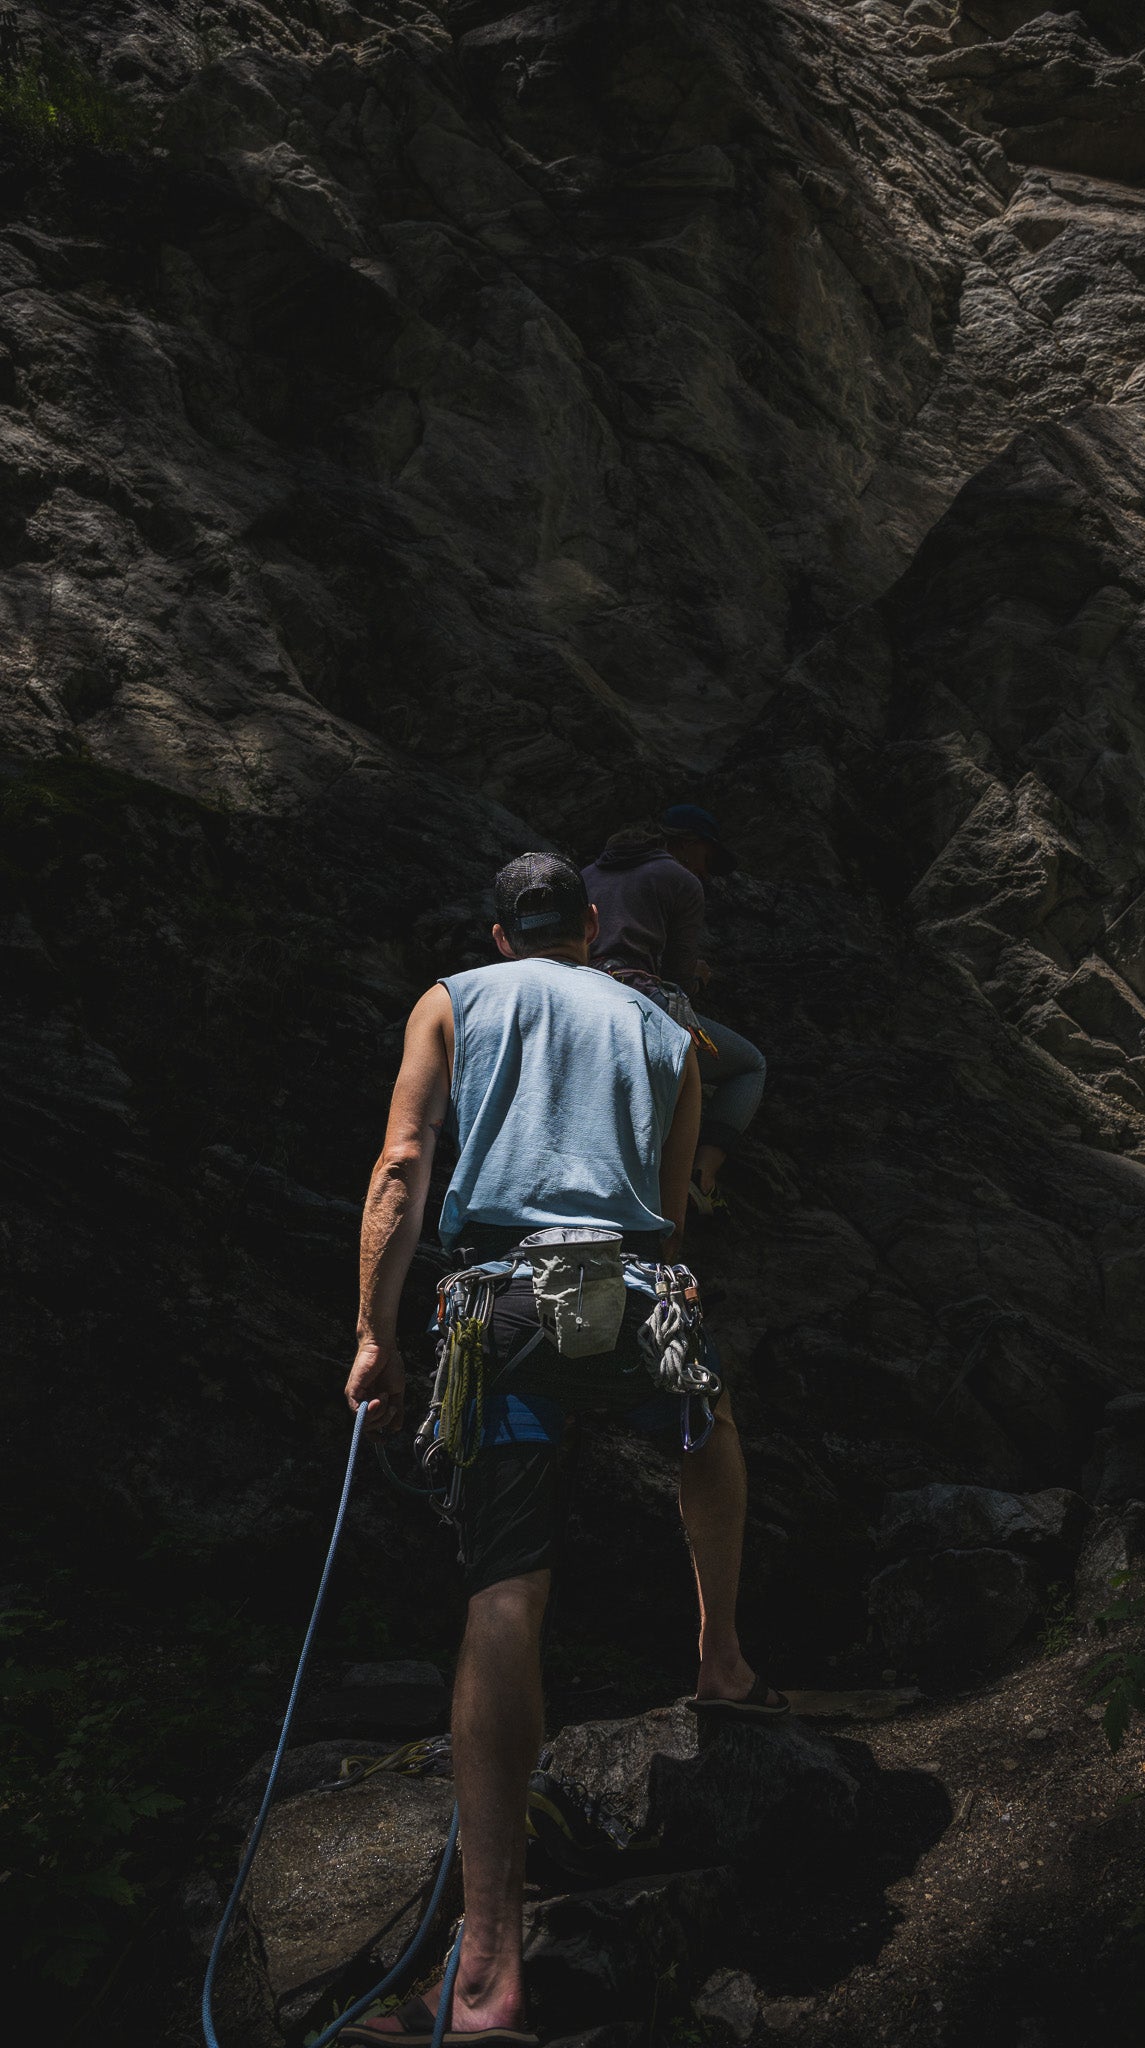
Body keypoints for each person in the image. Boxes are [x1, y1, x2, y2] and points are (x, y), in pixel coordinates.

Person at [341, 852, 785, 2048]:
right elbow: (675, 1211)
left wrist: (375, 1340)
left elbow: (400, 1165)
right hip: (636, 1294)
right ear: (591, 924)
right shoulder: (664, 1027)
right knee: (708, 1422)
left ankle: (486, 1973)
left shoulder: (454, 997)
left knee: (507, 1591)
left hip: (505, 1317)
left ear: (500, 931)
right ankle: (724, 1655)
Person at [581, 805, 765, 1215]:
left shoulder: (586, 875)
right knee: (748, 1066)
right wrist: (698, 976)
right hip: (640, 1001)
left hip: (579, 999)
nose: (705, 872)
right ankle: (702, 1177)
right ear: (687, 844)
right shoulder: (679, 880)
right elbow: (679, 977)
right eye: (708, 859)